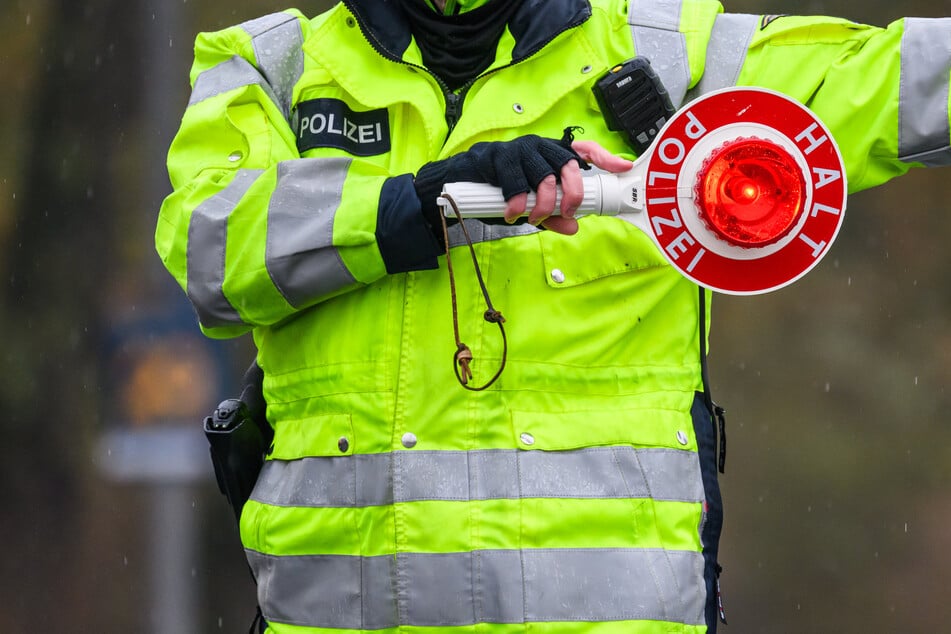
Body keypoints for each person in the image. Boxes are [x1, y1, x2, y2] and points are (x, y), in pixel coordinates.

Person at [155, 0, 951, 632]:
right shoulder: (270, 65)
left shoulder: (681, 59)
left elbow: (910, 79)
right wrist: (414, 201)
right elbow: (208, 250)